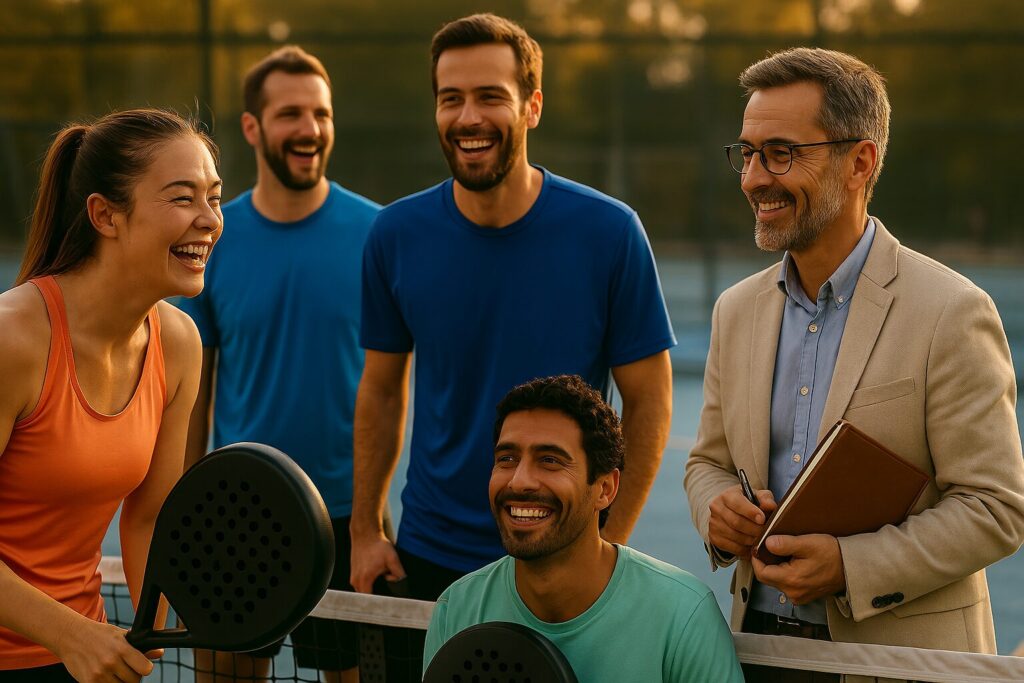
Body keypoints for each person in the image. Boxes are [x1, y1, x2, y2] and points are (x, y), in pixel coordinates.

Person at [683, 47, 1024, 682]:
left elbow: (996, 506)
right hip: (757, 655)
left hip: (901, 665)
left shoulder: (952, 311)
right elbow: (708, 462)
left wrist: (849, 565)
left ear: (859, 162)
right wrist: (718, 508)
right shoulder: (737, 311)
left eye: (781, 152)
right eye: (747, 153)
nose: (754, 177)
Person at [351, 12, 675, 680]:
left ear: (532, 106)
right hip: (430, 558)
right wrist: (364, 531)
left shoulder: (610, 233)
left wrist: (605, 545)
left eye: (490, 96)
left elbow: (650, 400)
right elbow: (382, 390)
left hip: (563, 559)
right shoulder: (394, 234)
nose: (468, 117)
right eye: (451, 99)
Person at [177, 46, 380, 683]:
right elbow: (194, 393)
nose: (310, 129)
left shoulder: (378, 233)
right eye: (290, 113)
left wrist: (374, 518)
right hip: (237, 509)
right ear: (252, 127)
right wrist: (183, 513)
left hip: (350, 518)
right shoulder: (211, 238)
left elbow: (397, 387)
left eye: (321, 113)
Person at [0, 109, 221, 682]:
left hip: (81, 656)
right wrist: (74, 636)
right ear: (105, 215)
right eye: (181, 199)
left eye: (213, 198)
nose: (209, 220)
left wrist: (150, 627)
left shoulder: (178, 343)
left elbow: (148, 518)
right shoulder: (12, 340)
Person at [423, 375, 743, 682]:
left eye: (549, 460)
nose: (519, 480)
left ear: (605, 489)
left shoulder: (683, 615)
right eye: (506, 458)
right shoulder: (457, 610)